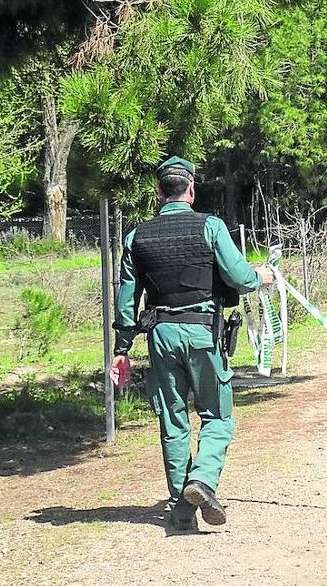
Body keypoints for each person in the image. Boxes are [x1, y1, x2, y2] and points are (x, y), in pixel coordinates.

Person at [109, 156, 274, 530]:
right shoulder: (211, 227)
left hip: (161, 335)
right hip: (203, 334)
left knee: (173, 420)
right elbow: (240, 276)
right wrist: (260, 277)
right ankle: (202, 481)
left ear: (158, 192)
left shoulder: (137, 237)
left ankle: (181, 510)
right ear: (191, 189)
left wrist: (121, 350)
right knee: (216, 416)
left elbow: (126, 301)